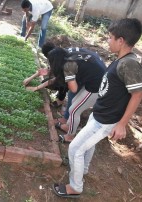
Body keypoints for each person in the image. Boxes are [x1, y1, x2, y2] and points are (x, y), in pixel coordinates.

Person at [53, 18, 142, 198]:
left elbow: (137, 95)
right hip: (100, 112)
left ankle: (75, 187)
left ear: (121, 40)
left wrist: (122, 124)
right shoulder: (122, 60)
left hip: (107, 119)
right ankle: (82, 168)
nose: (107, 41)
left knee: (75, 149)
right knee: (87, 144)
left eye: (110, 37)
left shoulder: (129, 64)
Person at [25, 42, 106, 144]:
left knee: (74, 110)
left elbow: (74, 89)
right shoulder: (64, 53)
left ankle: (70, 136)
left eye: (51, 63)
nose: (50, 66)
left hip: (97, 85)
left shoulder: (68, 67)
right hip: (96, 71)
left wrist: (69, 79)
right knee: (74, 104)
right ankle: (68, 125)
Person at [23, 41, 68, 108]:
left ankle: (60, 100)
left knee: (63, 82)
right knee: (45, 82)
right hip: (65, 74)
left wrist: (36, 88)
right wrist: (30, 78)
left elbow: (55, 79)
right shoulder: (57, 54)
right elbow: (48, 70)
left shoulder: (61, 60)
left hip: (76, 77)